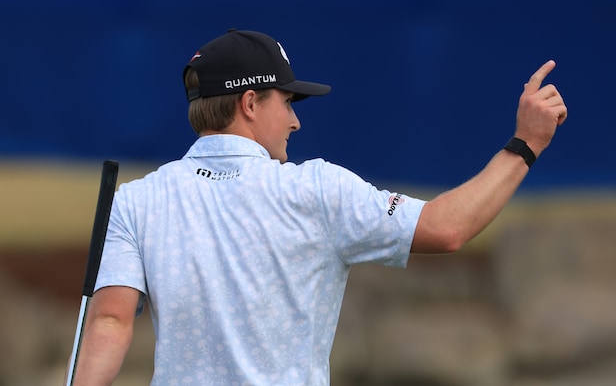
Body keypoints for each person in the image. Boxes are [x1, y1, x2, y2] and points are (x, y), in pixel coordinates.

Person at [69, 29, 567, 385]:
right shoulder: (316, 189)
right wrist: (526, 144)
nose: (295, 121)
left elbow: (110, 321)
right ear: (249, 104)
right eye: (287, 103)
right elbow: (447, 228)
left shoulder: (136, 199)